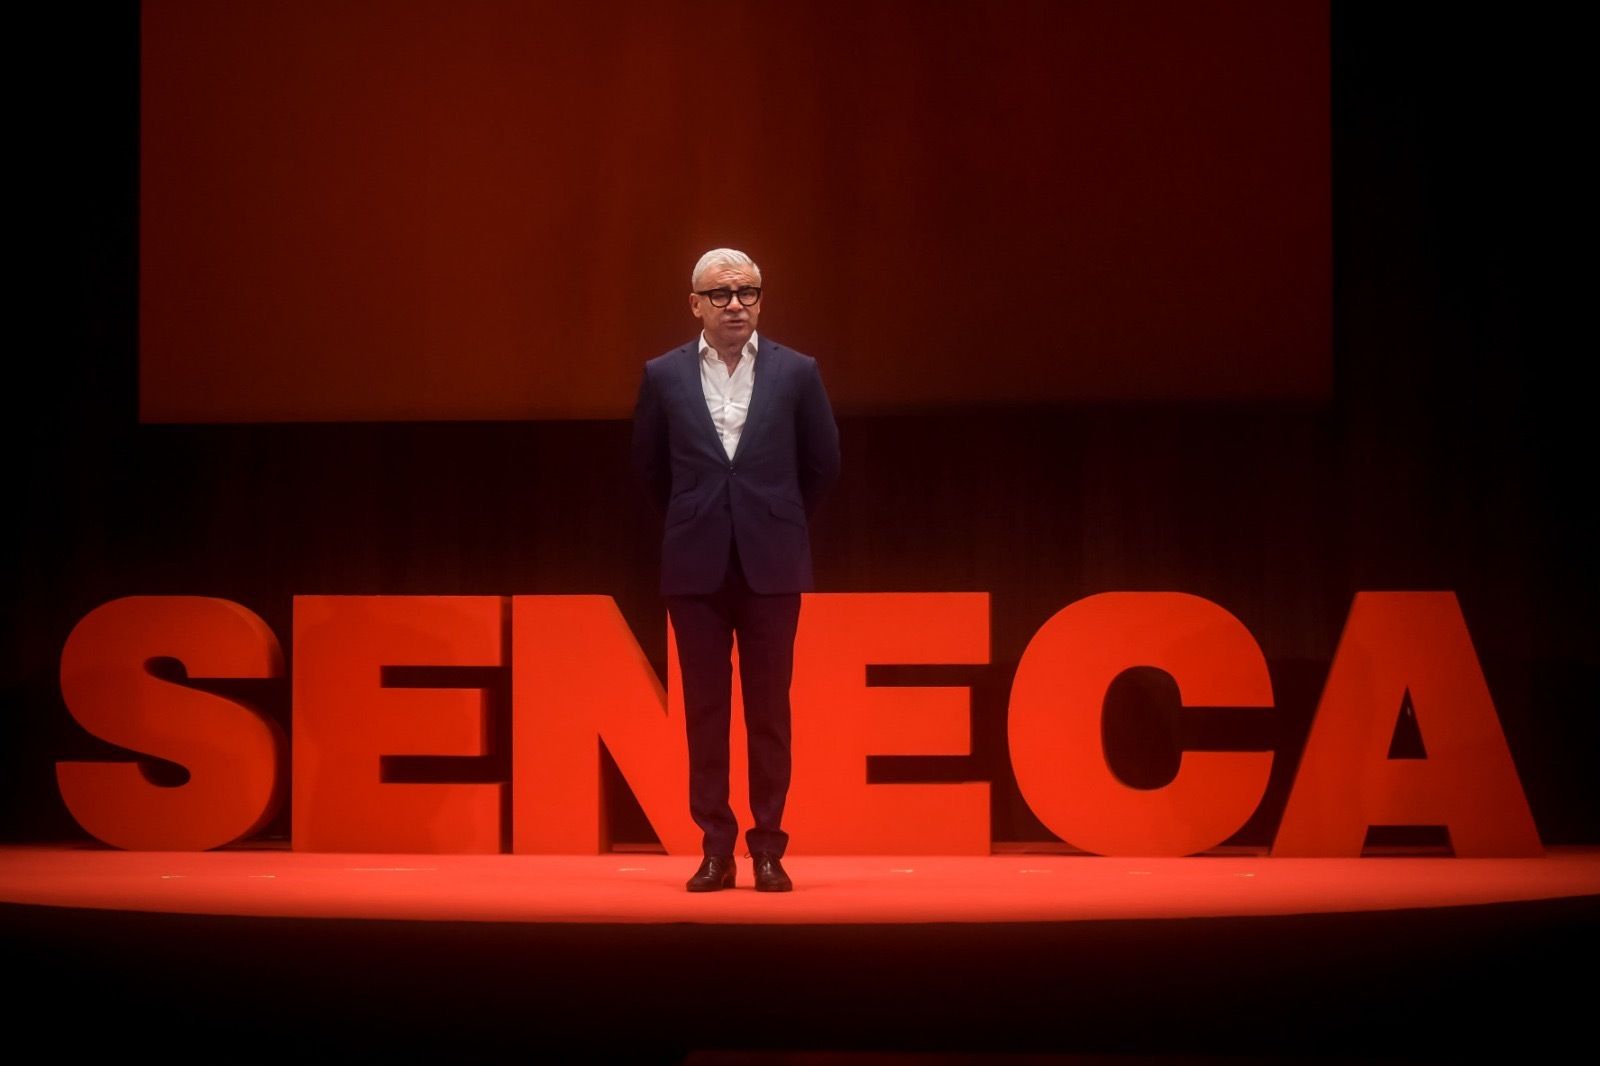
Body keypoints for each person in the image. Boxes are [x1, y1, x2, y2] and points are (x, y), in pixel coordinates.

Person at [631, 248, 840, 892]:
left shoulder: (797, 371)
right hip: (695, 564)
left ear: (760, 300)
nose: (735, 305)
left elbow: (822, 463)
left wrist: (772, 516)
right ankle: (715, 847)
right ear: (695, 303)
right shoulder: (663, 374)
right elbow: (650, 468)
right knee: (705, 713)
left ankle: (769, 846)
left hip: (771, 562)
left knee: (769, 712)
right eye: (720, 294)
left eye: (747, 292)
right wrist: (699, 515)